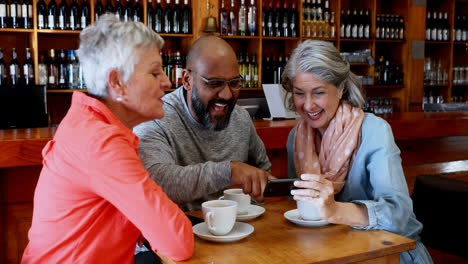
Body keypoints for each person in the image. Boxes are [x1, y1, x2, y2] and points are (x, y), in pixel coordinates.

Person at [21, 15, 193, 263]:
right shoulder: (101, 142)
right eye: (155, 73)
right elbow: (179, 243)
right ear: (117, 82)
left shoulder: (87, 122)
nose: (167, 82)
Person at [282, 40, 433, 264]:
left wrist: (335, 210)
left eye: (318, 92)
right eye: (299, 93)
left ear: (341, 88)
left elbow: (398, 213)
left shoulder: (375, 131)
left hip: (390, 254)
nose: (308, 105)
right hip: (333, 250)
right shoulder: (297, 138)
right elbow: (298, 205)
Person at [133, 36, 273, 212]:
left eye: (234, 83)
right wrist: (230, 171)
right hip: (181, 231)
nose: (227, 95)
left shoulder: (240, 118)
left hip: (237, 230)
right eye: (214, 84)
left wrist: (252, 207)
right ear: (186, 80)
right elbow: (156, 180)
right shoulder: (156, 118)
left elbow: (263, 170)